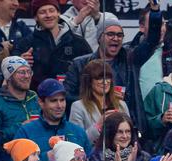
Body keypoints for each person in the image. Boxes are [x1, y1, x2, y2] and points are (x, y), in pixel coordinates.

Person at [63, 5, 162, 133]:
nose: (116, 38)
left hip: (128, 129)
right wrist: (96, 97)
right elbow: (67, 96)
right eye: (110, 34)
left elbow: (152, 40)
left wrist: (155, 12)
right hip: (93, 129)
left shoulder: (131, 58)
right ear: (99, 37)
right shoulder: (80, 64)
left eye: (120, 35)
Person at [14, 78, 91, 161]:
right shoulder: (26, 132)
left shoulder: (78, 132)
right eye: (53, 101)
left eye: (62, 100)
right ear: (41, 102)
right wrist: (45, 158)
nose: (59, 105)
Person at [12, 0, 92, 91]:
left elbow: (92, 69)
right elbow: (11, 72)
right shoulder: (25, 44)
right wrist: (19, 62)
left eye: (51, 10)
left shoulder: (78, 42)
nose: (48, 15)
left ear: (58, 13)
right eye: (42, 12)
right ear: (35, 17)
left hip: (72, 98)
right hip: (38, 99)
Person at [0, 56, 41, 161]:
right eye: (22, 72)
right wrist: (21, 127)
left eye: (29, 72)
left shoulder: (34, 97)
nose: (27, 76)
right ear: (9, 77)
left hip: (38, 158)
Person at [69, 60, 130, 144]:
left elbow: (130, 134)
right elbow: (76, 141)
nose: (105, 82)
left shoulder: (121, 105)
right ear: (89, 81)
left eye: (108, 78)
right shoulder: (78, 107)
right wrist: (98, 126)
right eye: (99, 78)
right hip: (93, 155)